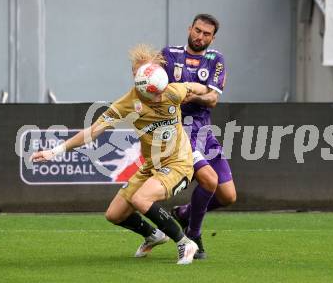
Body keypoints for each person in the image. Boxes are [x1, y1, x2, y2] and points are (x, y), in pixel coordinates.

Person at [30, 44, 209, 265]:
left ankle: (184, 242)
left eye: (145, 71)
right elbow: (93, 131)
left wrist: (207, 92)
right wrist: (55, 150)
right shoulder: (127, 103)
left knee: (141, 198)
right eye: (136, 73)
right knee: (114, 215)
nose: (139, 76)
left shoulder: (171, 92)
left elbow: (193, 87)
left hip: (178, 163)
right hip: (151, 166)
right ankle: (153, 235)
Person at [162, 14, 237, 259]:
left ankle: (184, 214)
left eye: (206, 33)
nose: (200, 36)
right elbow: (154, 87)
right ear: (190, 28)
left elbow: (212, 99)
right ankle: (193, 234)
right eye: (197, 30)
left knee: (228, 196)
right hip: (178, 133)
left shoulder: (216, 60)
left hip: (204, 132)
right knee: (209, 180)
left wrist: (192, 96)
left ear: (212, 38)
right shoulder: (170, 54)